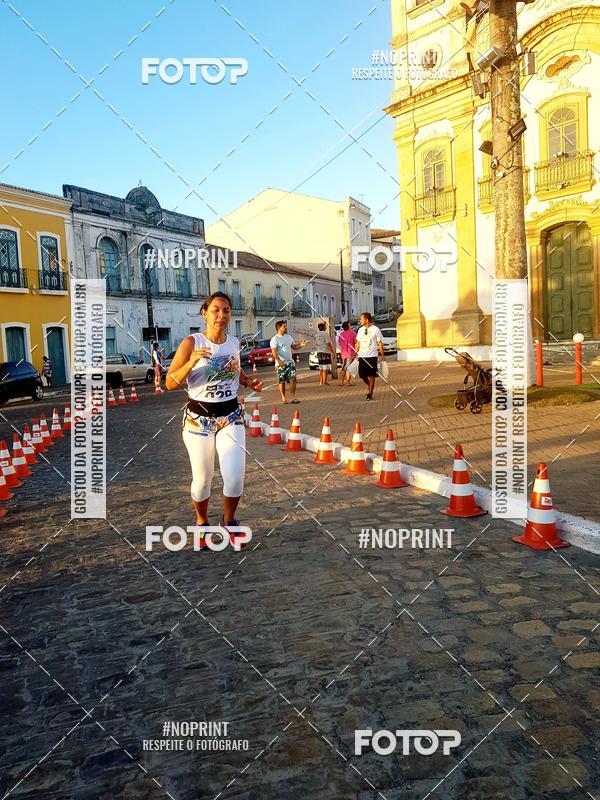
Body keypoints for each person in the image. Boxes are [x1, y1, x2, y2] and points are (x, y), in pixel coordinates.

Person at [166, 292, 263, 548]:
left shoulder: (234, 342)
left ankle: (228, 521)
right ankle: (201, 522)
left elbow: (235, 369)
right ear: (205, 313)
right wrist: (191, 362)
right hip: (199, 421)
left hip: (230, 416)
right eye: (216, 310)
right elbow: (170, 381)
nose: (221, 315)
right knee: (202, 479)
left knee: (234, 477)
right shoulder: (191, 342)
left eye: (227, 310)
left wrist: (247, 381)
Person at [270, 321, 308, 404]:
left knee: (293, 379)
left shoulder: (289, 337)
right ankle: (283, 398)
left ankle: (293, 397)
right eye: (284, 326)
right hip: (280, 364)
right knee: (281, 381)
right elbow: (274, 352)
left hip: (290, 362)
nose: (286, 328)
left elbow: (294, 347)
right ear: (279, 328)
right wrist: (279, 361)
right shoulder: (275, 339)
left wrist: (301, 345)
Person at [356, 312, 385, 400]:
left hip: (372, 355)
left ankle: (370, 393)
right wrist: (355, 352)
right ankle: (370, 385)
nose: (360, 321)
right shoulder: (360, 330)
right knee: (362, 375)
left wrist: (382, 355)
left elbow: (379, 343)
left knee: (372, 374)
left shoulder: (376, 329)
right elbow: (358, 342)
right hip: (362, 355)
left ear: (367, 320)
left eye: (361, 319)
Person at [338, 321, 358, 386]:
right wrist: (356, 352)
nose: (350, 326)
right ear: (348, 326)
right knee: (349, 368)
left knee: (343, 367)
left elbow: (339, 343)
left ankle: (342, 382)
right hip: (350, 353)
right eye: (349, 325)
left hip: (343, 353)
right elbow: (356, 342)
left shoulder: (341, 334)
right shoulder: (353, 333)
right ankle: (348, 382)